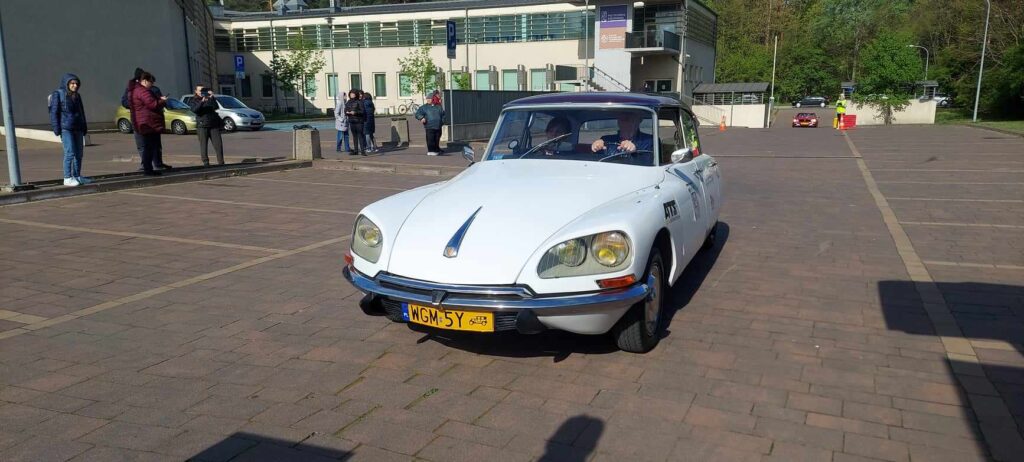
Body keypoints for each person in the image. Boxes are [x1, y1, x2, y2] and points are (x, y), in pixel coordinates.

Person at [49, 73, 89, 186]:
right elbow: (54, 112)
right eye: (72, 83)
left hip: (78, 128)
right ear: (66, 84)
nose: (75, 85)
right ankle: (67, 177)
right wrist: (56, 128)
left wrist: (84, 126)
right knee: (70, 153)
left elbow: (81, 112)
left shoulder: (77, 96)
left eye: (76, 83)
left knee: (79, 154)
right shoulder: (58, 94)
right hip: (66, 128)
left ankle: (77, 176)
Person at [129, 72, 168, 176]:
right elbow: (152, 104)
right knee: (149, 147)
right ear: (145, 81)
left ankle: (148, 168)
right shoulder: (142, 91)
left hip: (143, 121)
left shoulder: (135, 90)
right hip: (147, 122)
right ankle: (148, 169)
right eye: (151, 82)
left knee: (148, 147)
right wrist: (162, 101)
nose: (152, 84)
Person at [189, 84, 225, 166]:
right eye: (200, 90)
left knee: (218, 145)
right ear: (196, 91)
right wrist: (202, 101)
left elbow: (216, 107)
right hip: (202, 125)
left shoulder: (209, 98)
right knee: (203, 145)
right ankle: (206, 163)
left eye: (203, 90)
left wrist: (212, 97)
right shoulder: (193, 100)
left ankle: (221, 162)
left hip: (213, 125)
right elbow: (195, 110)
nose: (202, 92)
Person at [344, 89, 366, 156]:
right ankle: (356, 150)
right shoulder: (348, 102)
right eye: (350, 94)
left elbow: (362, 111)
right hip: (352, 121)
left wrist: (355, 112)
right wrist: (347, 112)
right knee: (354, 136)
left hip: (359, 121)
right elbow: (345, 110)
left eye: (353, 94)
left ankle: (362, 151)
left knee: (360, 135)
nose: (352, 95)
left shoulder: (359, 102)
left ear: (356, 94)